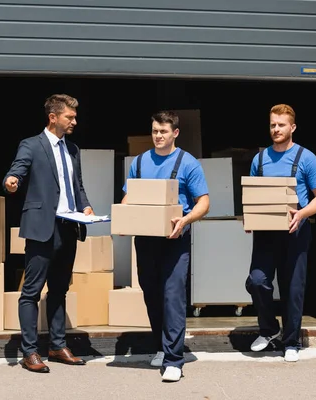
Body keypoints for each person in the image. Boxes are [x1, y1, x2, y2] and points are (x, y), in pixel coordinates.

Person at [3, 94, 94, 373]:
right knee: (31, 291)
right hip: (42, 227)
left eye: (75, 117)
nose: (74, 121)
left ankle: (57, 345)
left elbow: (77, 185)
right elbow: (16, 170)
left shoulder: (74, 149)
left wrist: (87, 206)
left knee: (59, 289)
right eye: (70, 117)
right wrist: (12, 181)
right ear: (53, 117)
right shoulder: (31, 145)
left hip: (69, 227)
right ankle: (29, 351)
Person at [122, 110, 210, 382]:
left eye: (163, 131)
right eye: (154, 131)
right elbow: (128, 198)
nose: (158, 136)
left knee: (173, 295)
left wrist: (185, 220)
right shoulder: (139, 162)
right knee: (151, 293)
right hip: (146, 241)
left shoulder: (188, 163)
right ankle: (161, 345)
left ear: (175, 133)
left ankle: (174, 360)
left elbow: (203, 202)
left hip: (175, 239)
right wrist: (124, 220)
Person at [245, 104, 316, 362]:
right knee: (257, 281)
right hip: (266, 233)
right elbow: (253, 197)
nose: (276, 129)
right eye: (272, 125)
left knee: (293, 288)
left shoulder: (307, 158)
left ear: (292, 127)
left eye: (281, 125)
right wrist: (249, 218)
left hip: (295, 231)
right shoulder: (259, 160)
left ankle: (291, 341)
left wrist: (302, 214)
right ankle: (269, 330)